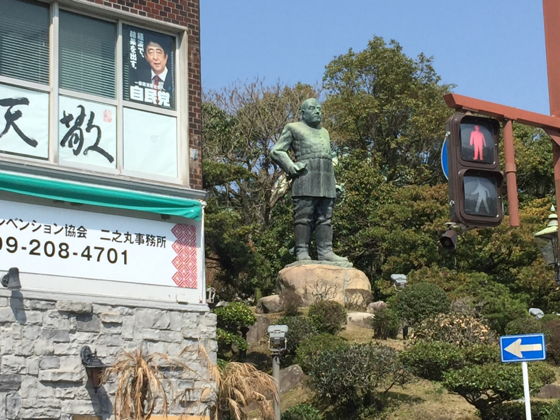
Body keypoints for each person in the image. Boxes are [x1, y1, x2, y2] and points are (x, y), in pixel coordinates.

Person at [271, 98, 348, 263]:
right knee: (303, 216)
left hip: (326, 178)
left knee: (326, 217)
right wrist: (291, 167)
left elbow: (326, 158)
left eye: (319, 109)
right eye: (313, 109)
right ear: (303, 113)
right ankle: (301, 251)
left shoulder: (325, 132)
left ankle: (326, 251)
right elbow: (277, 151)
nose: (318, 111)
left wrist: (334, 182)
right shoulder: (293, 127)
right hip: (305, 176)